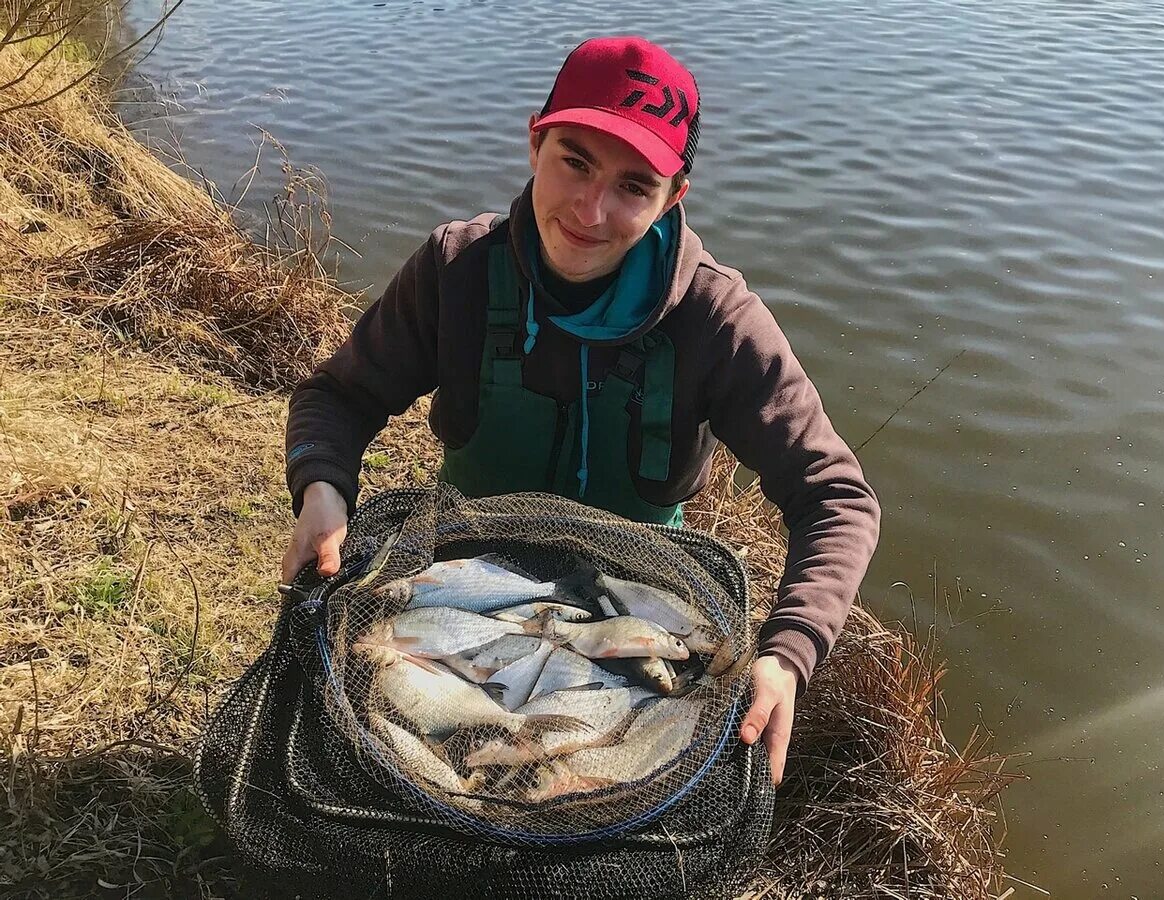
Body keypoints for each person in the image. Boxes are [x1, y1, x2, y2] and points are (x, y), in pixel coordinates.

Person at [282, 36, 880, 785]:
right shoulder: (456, 271)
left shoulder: (716, 321)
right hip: (463, 584)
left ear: (673, 197)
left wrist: (788, 655)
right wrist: (325, 487)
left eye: (634, 186)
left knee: (604, 765)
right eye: (575, 161)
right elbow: (339, 396)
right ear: (536, 141)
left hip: (638, 603)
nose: (591, 211)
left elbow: (836, 497)